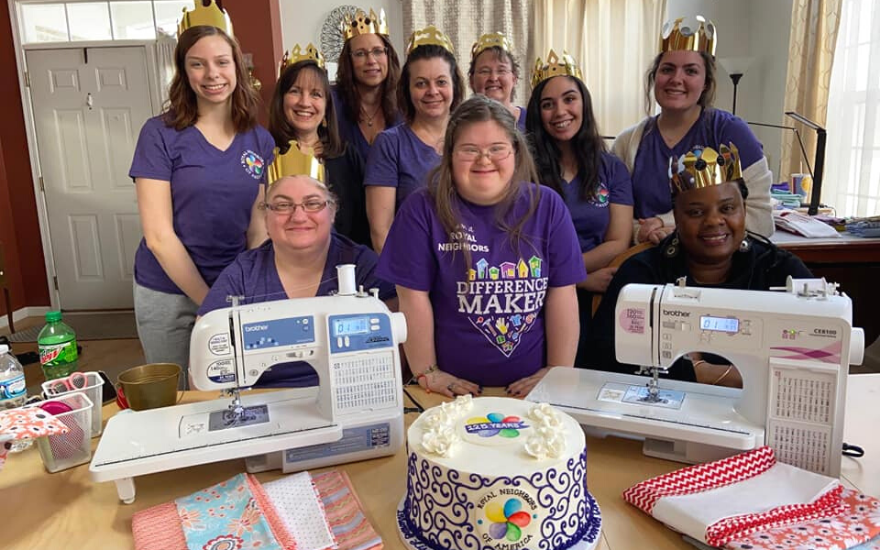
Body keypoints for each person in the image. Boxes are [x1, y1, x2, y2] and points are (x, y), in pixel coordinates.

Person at [377, 95, 585, 398]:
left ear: (516, 151)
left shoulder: (548, 206)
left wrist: (557, 371)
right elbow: (412, 298)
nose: (484, 160)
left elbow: (563, 294)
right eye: (469, 149)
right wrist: (428, 371)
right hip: (449, 392)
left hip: (532, 390)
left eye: (497, 148)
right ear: (449, 154)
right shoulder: (421, 209)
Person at [587, 143, 811, 386]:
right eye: (695, 212)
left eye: (727, 208)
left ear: (744, 210)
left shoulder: (779, 269)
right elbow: (600, 360)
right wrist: (710, 374)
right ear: (676, 217)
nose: (714, 221)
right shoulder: (642, 272)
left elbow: (818, 355)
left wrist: (699, 370)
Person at [130, 21, 274, 376]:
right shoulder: (159, 134)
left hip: (234, 288)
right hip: (169, 291)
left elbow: (258, 227)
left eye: (222, 62)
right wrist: (211, 302)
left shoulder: (258, 140)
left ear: (237, 67)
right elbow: (159, 237)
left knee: (234, 386)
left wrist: (244, 289)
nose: (212, 74)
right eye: (198, 64)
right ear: (183, 72)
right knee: (176, 393)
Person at [199, 174, 396, 387]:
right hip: (262, 397)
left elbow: (396, 353)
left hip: (353, 393)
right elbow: (205, 356)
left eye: (312, 203)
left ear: (331, 213)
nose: (299, 217)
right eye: (283, 206)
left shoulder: (363, 266)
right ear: (265, 219)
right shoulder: (243, 275)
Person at [611, 15, 774, 245]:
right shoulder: (627, 143)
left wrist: (672, 224)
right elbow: (611, 221)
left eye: (690, 71)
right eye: (667, 69)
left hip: (718, 265)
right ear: (655, 77)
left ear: (705, 82)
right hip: (647, 261)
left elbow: (761, 220)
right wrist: (642, 233)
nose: (676, 79)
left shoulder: (731, 134)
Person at [526, 50, 633, 366]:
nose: (560, 111)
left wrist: (573, 277)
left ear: (584, 102)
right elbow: (519, 245)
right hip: (535, 290)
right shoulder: (523, 169)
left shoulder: (612, 168)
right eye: (548, 104)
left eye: (569, 99)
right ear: (537, 113)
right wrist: (576, 278)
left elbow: (618, 241)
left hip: (597, 293)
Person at [364, 25, 465, 253]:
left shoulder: (473, 139)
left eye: (441, 82)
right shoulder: (390, 144)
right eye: (421, 83)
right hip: (413, 267)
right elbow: (381, 233)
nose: (432, 91)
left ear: (454, 85)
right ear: (407, 90)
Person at [268, 44, 370, 246]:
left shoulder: (346, 156)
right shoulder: (266, 155)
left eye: (316, 94)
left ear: (326, 106)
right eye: (295, 91)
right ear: (281, 100)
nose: (305, 102)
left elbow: (363, 225)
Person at [333, 8, 402, 162]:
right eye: (360, 54)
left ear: (388, 55)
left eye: (377, 51)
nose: (371, 61)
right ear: (348, 61)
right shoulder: (332, 101)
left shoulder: (406, 101)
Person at [469, 32, 527, 132]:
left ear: (514, 78)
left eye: (501, 71)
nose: (493, 78)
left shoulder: (531, 120)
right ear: (471, 81)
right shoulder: (461, 123)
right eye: (484, 71)